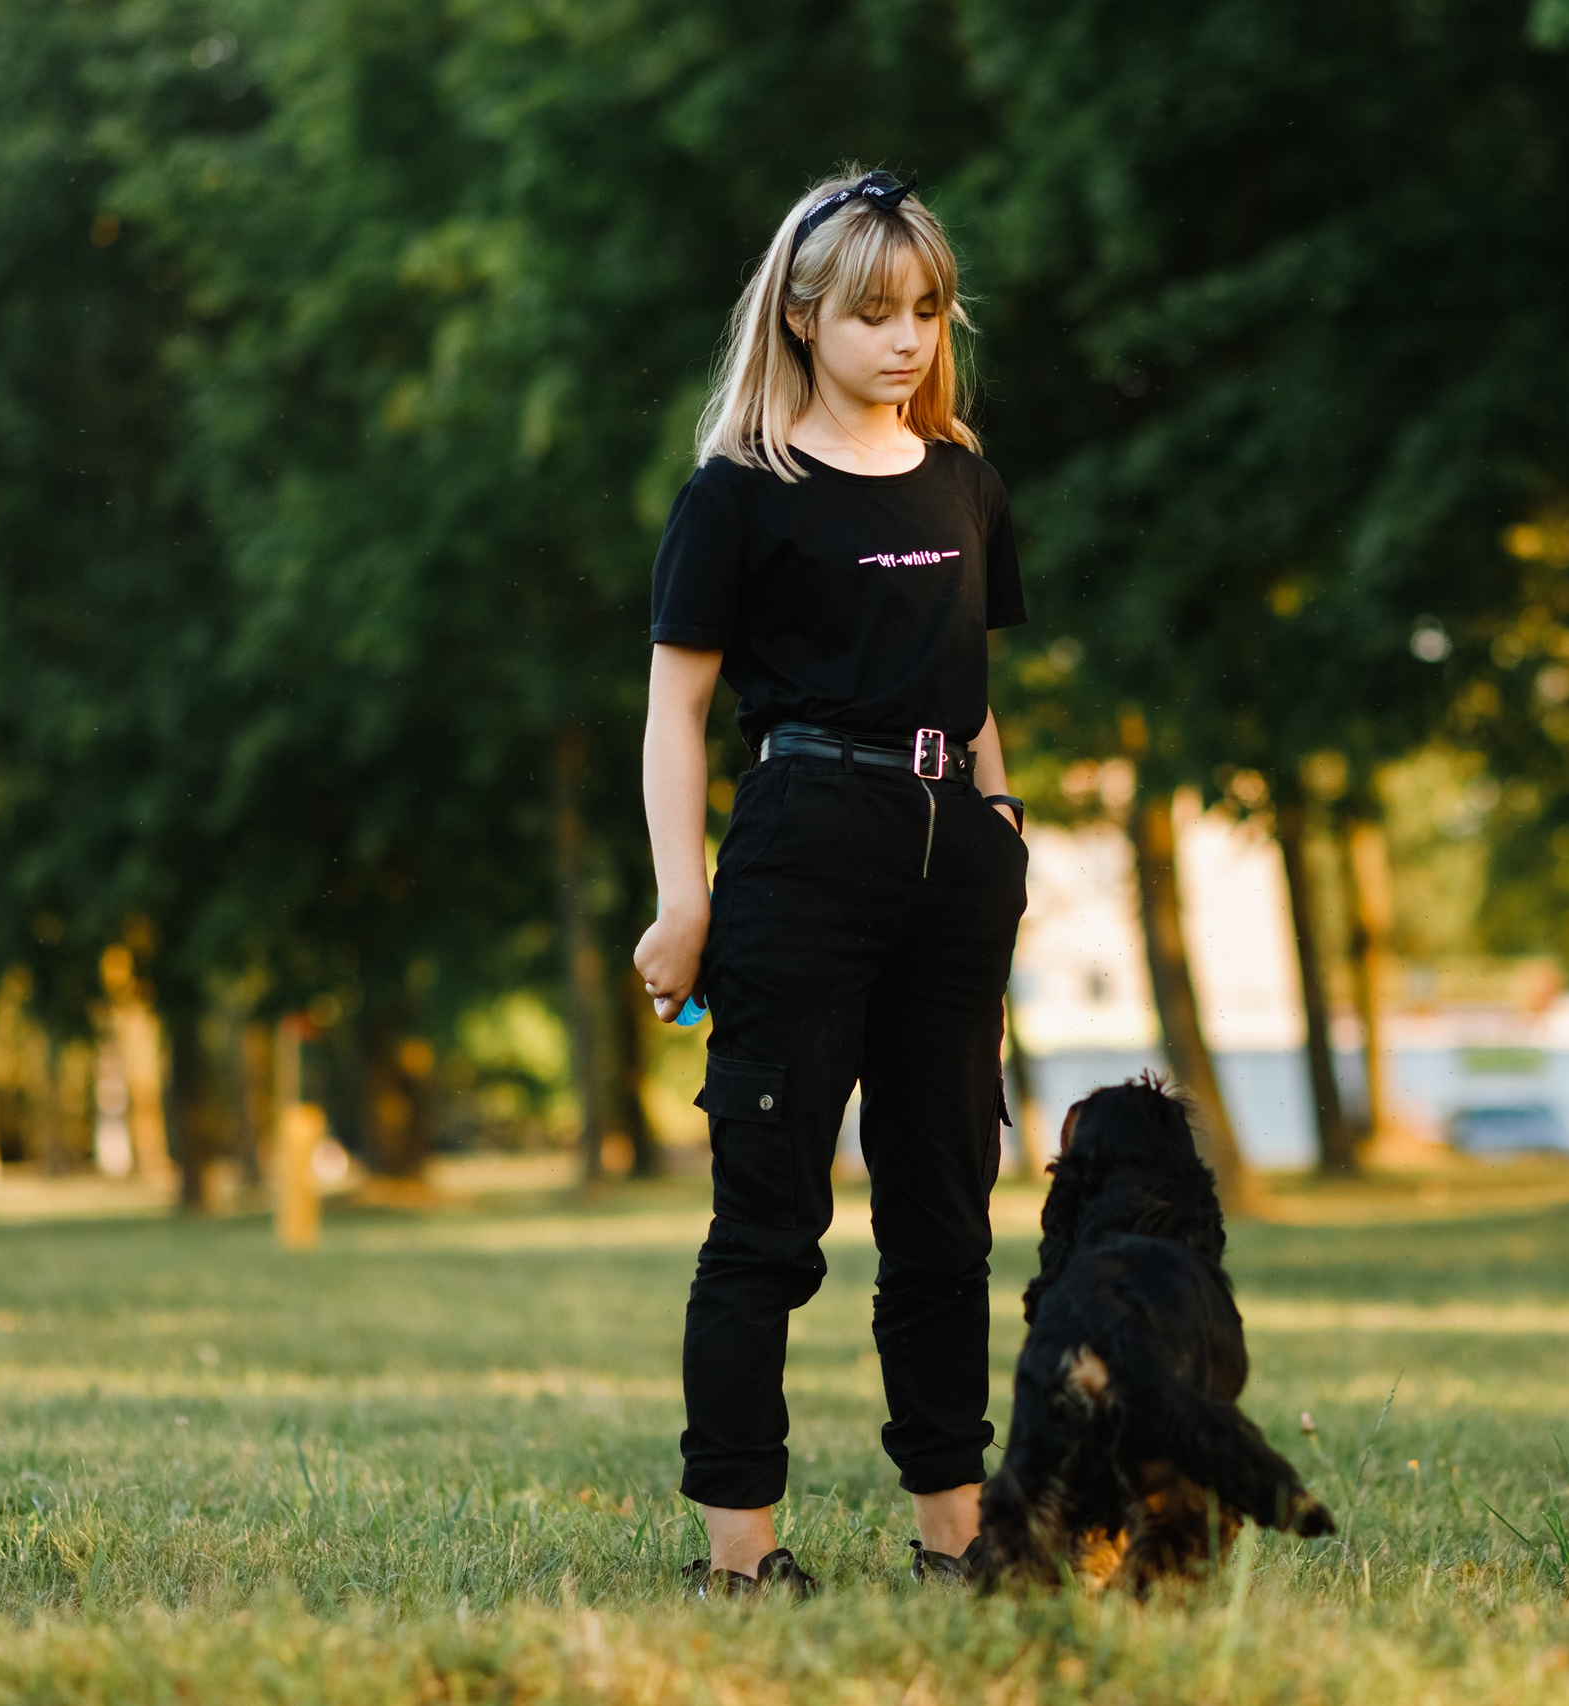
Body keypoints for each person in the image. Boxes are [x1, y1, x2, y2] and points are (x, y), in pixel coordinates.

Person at [633, 167, 1029, 1598]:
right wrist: (687, 903)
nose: (906, 337)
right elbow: (676, 714)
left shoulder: (967, 479)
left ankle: (958, 1541)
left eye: (926, 309)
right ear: (803, 317)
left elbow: (973, 688)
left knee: (946, 1221)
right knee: (769, 1224)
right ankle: (742, 1556)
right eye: (873, 312)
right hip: (803, 852)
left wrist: (1002, 824)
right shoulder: (740, 495)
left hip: (954, 870)